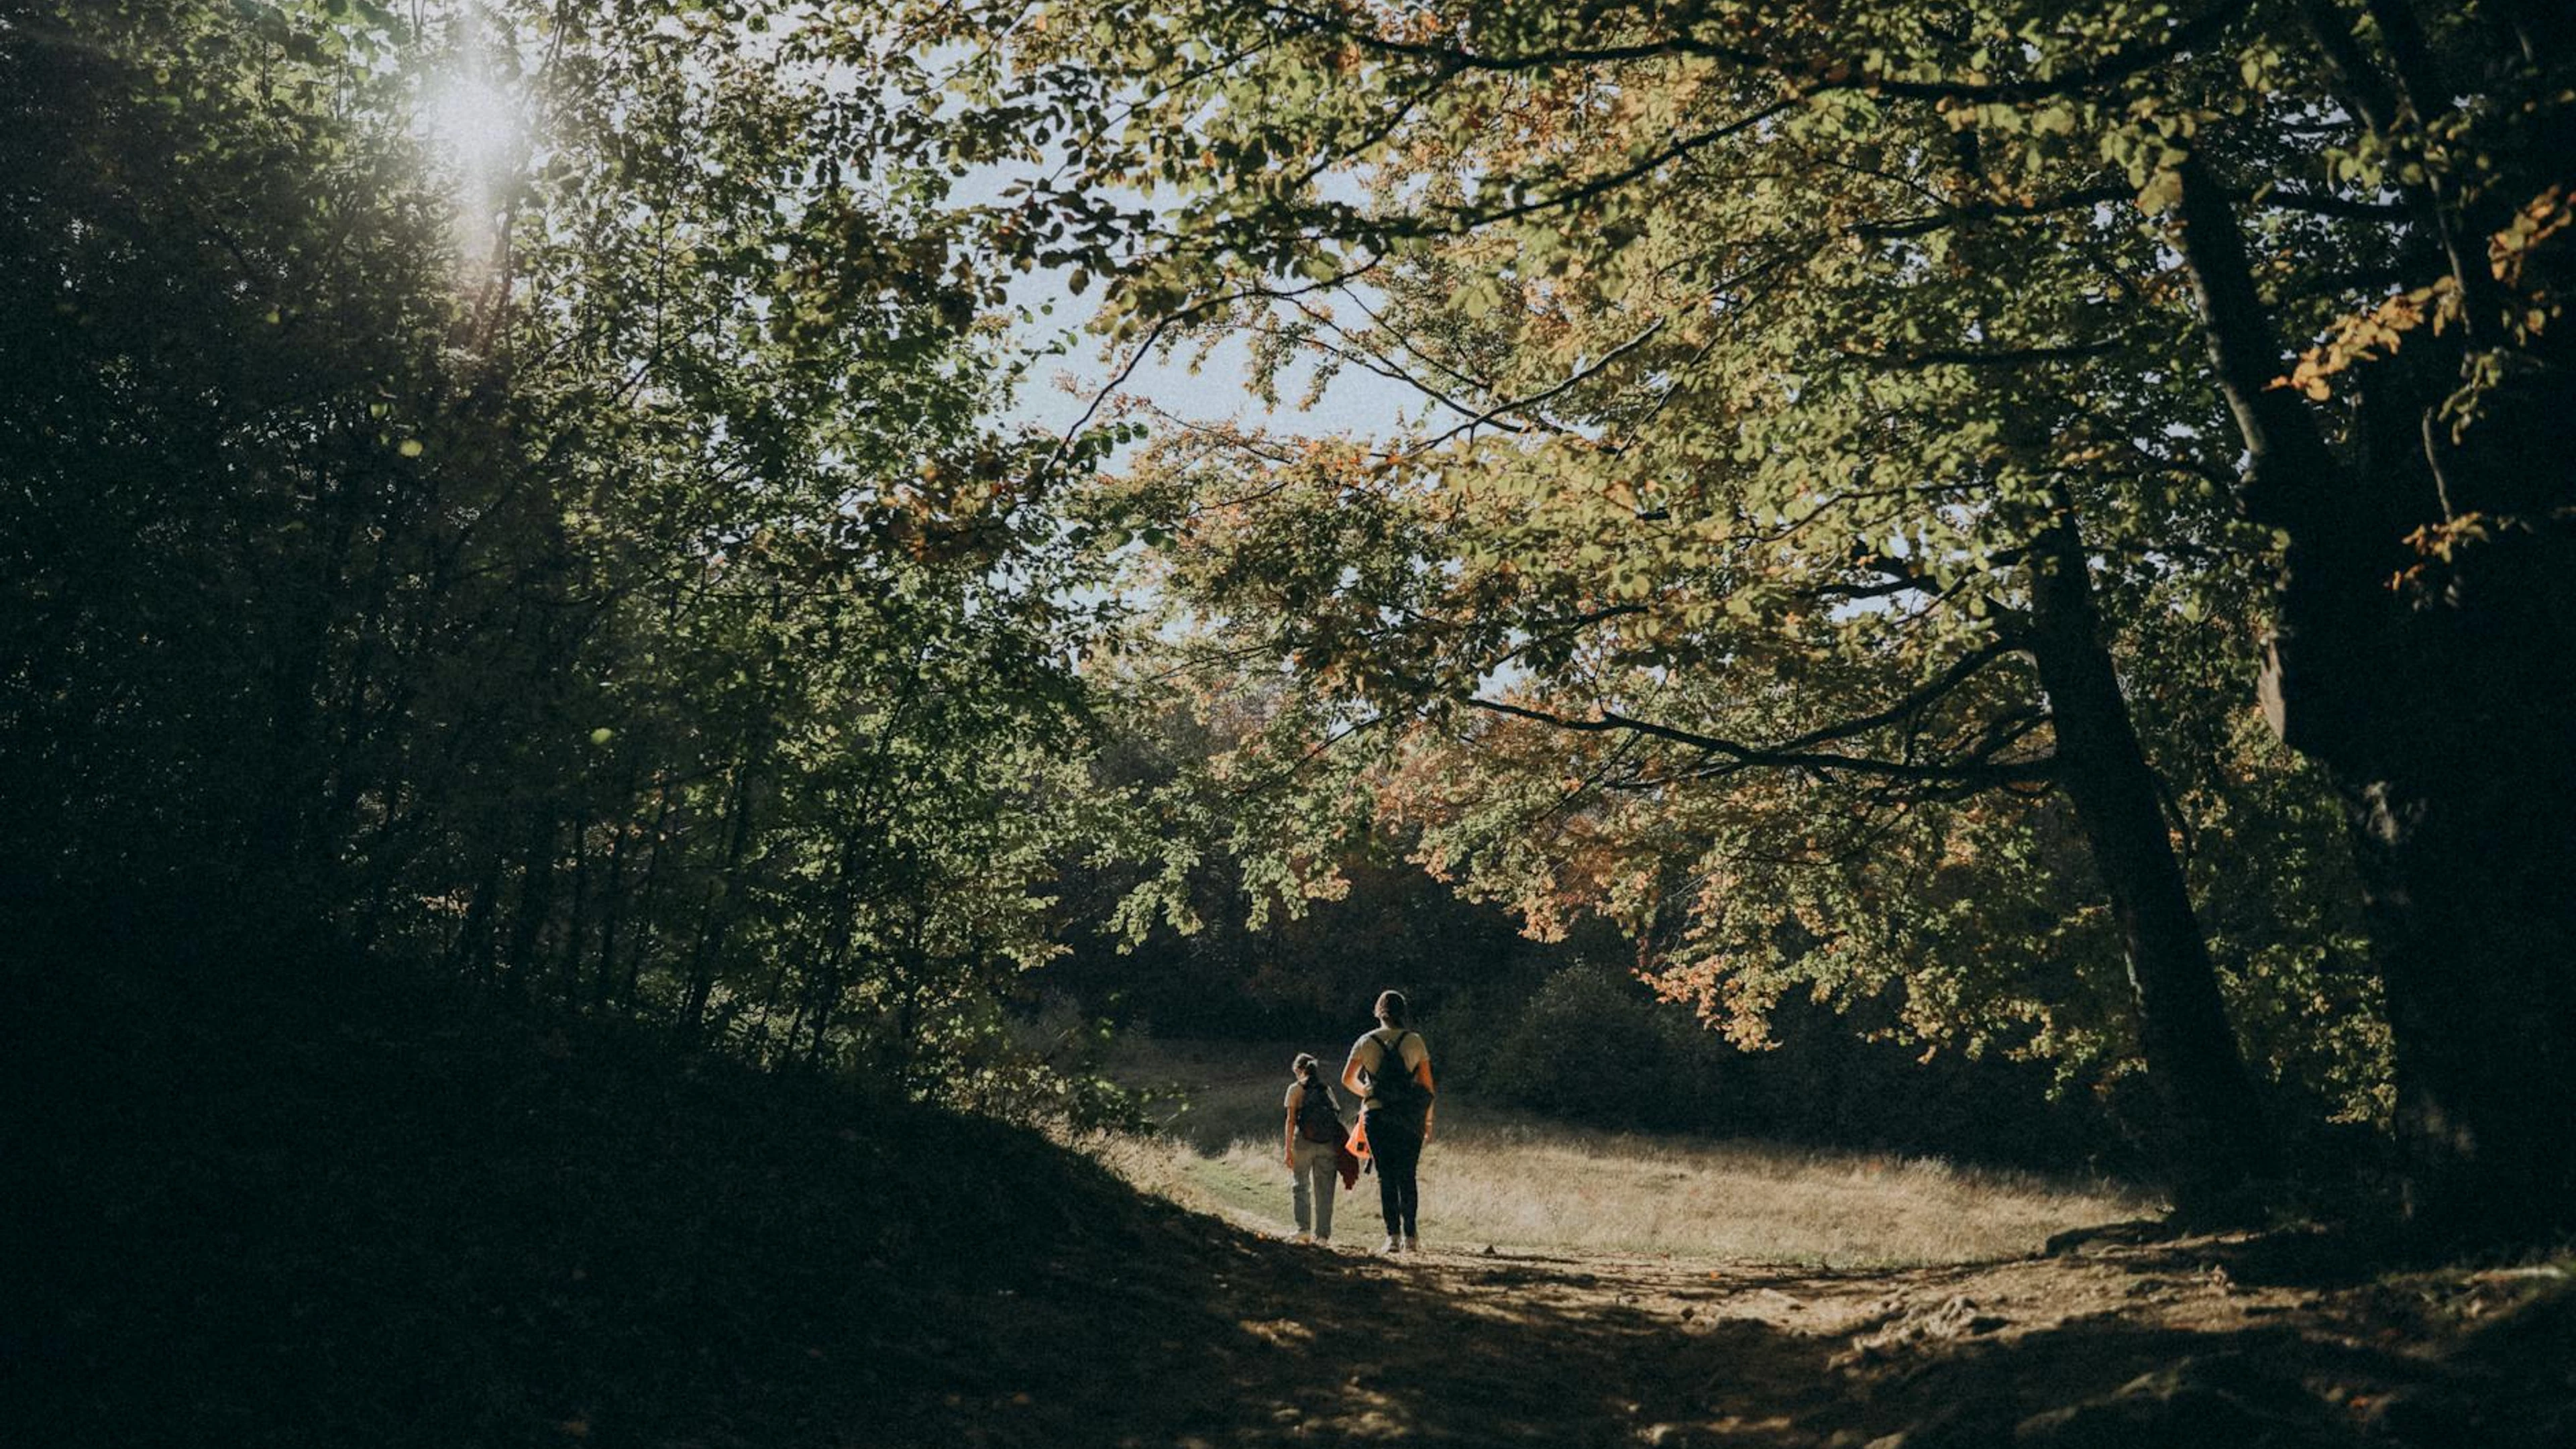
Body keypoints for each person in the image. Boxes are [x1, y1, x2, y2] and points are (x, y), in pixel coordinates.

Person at [1342, 989, 1434, 1254]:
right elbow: (1427, 1086)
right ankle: (1411, 1238)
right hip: (1409, 1117)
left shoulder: (1365, 1041)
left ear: (1378, 1012)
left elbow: (1347, 1079)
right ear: (1403, 1012)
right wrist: (1427, 1121)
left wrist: (1368, 1092)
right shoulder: (1415, 1041)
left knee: (1386, 1176)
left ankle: (1392, 1237)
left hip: (1377, 1115)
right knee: (1408, 1176)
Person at [1281, 1053, 1345, 1243]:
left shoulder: (1295, 1089)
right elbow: (1336, 1115)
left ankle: (1303, 1230)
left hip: (1303, 1142)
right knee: (1325, 1190)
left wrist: (1287, 1149)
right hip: (1327, 1144)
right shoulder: (1326, 1089)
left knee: (1301, 1185)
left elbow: (1291, 1120)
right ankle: (1323, 1235)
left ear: (1298, 1070)